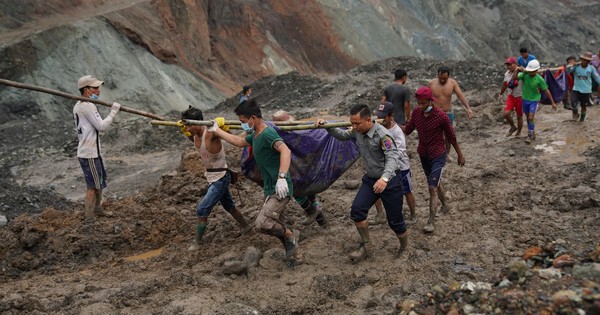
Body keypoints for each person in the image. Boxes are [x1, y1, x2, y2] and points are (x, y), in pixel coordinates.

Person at [211, 99, 300, 266]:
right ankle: (294, 256)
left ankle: (289, 235)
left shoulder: (267, 134)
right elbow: (238, 142)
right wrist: (217, 131)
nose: (243, 125)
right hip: (269, 188)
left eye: (243, 122)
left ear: (253, 118)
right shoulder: (255, 135)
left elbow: (285, 150)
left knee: (262, 223)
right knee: (277, 221)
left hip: (280, 188)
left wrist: (282, 177)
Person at [316, 104, 408, 260]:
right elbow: (343, 135)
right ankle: (367, 245)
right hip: (371, 179)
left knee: (395, 221)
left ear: (368, 120)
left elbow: (393, 158)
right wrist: (327, 126)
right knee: (357, 212)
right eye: (352, 123)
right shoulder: (357, 131)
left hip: (390, 180)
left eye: (357, 123)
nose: (354, 127)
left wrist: (384, 179)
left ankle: (404, 247)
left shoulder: (383, 135)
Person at [181, 107, 252, 251]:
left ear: (198, 122)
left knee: (202, 210)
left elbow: (236, 139)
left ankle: (196, 242)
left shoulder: (212, 133)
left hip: (221, 177)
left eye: (189, 125)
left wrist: (224, 128)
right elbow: (189, 135)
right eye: (185, 125)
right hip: (212, 177)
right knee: (230, 207)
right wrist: (183, 128)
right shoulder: (193, 135)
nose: (187, 128)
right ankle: (248, 228)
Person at [402, 86, 465, 233]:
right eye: (418, 103)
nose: (420, 106)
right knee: (434, 181)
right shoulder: (417, 113)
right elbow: (408, 130)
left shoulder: (441, 116)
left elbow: (452, 137)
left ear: (431, 101)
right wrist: (392, 124)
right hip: (423, 154)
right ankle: (445, 205)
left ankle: (431, 221)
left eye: (423, 103)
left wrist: (460, 155)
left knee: (432, 187)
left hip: (438, 154)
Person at [73, 75, 121, 224]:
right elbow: (102, 127)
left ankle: (97, 209)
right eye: (95, 87)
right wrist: (113, 112)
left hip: (93, 151)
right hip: (89, 153)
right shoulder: (87, 106)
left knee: (100, 181)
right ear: (86, 90)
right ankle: (89, 218)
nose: (98, 90)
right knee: (92, 186)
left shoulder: (80, 105)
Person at [271, 110, 327, 228]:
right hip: (296, 166)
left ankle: (313, 212)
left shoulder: (300, 130)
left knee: (299, 191)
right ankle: (320, 219)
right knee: (303, 191)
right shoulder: (279, 133)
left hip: (304, 166)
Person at [372, 102, 417, 225]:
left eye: (384, 117)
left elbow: (401, 151)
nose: (381, 120)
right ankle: (380, 214)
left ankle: (413, 214)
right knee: (376, 189)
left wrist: (387, 156)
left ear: (391, 116)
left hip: (401, 167)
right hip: (382, 166)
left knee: (406, 190)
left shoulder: (396, 131)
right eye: (379, 117)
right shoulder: (376, 128)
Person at [428, 66, 473, 157]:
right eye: (440, 78)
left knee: (448, 135)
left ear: (448, 76)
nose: (442, 80)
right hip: (434, 113)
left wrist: (468, 108)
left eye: (444, 78)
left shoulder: (452, 83)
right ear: (437, 75)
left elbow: (460, 96)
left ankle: (446, 154)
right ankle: (435, 153)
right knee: (434, 135)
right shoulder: (431, 83)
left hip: (447, 113)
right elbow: (426, 98)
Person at [512, 59, 557, 143]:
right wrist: (517, 70)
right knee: (528, 118)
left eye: (533, 71)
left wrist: (552, 102)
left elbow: (546, 90)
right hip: (525, 99)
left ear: (536, 70)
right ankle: (532, 133)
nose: (531, 73)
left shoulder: (539, 79)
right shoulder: (524, 75)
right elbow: (514, 78)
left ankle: (529, 136)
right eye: (530, 71)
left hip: (534, 100)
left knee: (530, 117)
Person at [566, 52, 600, 122]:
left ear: (589, 61)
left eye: (586, 60)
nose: (584, 61)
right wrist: (570, 65)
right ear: (581, 59)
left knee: (583, 106)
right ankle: (575, 112)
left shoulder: (591, 68)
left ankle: (581, 120)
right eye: (583, 60)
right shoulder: (576, 67)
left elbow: (597, 78)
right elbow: (568, 71)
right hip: (576, 89)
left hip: (586, 90)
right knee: (573, 102)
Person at [497, 57, 524, 137]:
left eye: (510, 65)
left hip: (520, 97)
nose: (509, 67)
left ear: (515, 64)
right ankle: (513, 127)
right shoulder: (507, 74)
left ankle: (519, 132)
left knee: (519, 116)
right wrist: (501, 93)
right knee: (506, 113)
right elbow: (505, 84)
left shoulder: (521, 71)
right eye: (507, 65)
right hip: (511, 96)